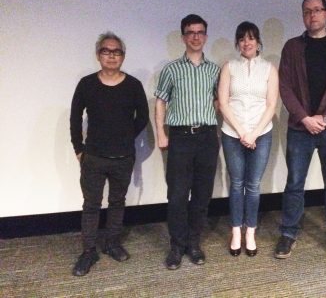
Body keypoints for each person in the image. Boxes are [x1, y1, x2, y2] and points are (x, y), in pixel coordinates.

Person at [275, 0, 326, 265]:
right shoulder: (292, 47)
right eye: (308, 11)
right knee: (294, 184)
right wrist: (305, 118)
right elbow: (284, 86)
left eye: (318, 10)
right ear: (303, 16)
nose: (313, 15)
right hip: (300, 128)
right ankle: (288, 232)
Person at [70, 32, 149, 276]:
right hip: (93, 157)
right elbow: (75, 118)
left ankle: (112, 243)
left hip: (123, 158)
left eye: (117, 52)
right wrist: (79, 149)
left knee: (117, 202)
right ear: (98, 55)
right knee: (91, 205)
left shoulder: (133, 85)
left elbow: (143, 118)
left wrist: (125, 139)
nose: (112, 56)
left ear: (123, 56)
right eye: (106, 51)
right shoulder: (86, 84)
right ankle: (88, 251)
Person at [154, 14, 220, 270]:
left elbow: (219, 101)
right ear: (183, 37)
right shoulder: (171, 69)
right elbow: (161, 100)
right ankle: (176, 245)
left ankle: (194, 243)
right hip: (180, 137)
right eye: (190, 32)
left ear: (205, 35)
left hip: (207, 137)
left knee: (202, 195)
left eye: (200, 32)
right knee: (178, 195)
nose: (195, 36)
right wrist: (161, 132)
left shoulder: (214, 70)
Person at [218, 21, 279, 257]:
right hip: (232, 133)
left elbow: (272, 104)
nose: (247, 43)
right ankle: (236, 231)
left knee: (253, 186)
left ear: (258, 41)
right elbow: (223, 103)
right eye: (242, 38)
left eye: (251, 38)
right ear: (238, 43)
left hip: (261, 134)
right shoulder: (229, 67)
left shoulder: (269, 68)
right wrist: (242, 132)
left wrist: (253, 133)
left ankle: (250, 232)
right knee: (236, 183)